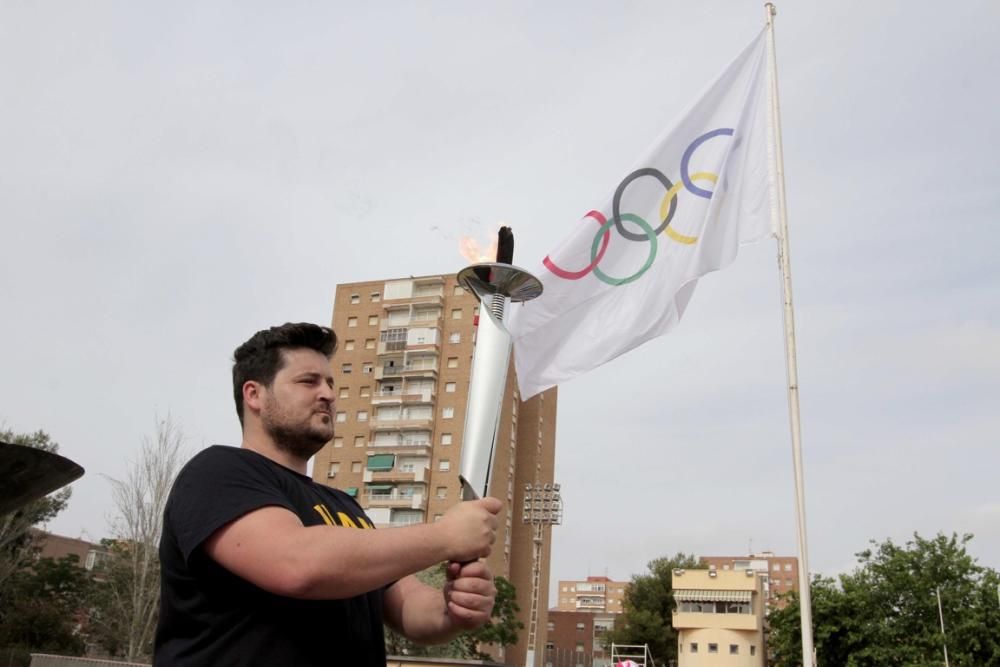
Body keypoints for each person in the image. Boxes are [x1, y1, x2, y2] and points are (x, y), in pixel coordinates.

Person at [154, 322, 502, 666]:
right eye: (309, 381)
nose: (329, 394)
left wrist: (453, 608)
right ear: (254, 394)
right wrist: (445, 536)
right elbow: (295, 564)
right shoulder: (218, 472)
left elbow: (407, 606)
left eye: (331, 383)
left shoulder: (345, 506)